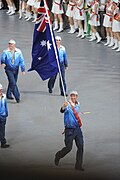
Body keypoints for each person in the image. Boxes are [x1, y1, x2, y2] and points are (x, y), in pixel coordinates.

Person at [54, 91, 84, 171]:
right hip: (69, 130)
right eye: (72, 96)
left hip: (77, 129)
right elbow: (62, 110)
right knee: (68, 148)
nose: (73, 97)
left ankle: (78, 165)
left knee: (80, 147)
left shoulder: (78, 104)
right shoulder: (67, 104)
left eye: (75, 96)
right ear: (70, 96)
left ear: (77, 96)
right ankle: (58, 155)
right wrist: (63, 107)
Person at [0, 84, 10, 148]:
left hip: (3, 115)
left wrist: (6, 112)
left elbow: (5, 105)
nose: (0, 91)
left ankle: (3, 142)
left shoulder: (4, 96)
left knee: (2, 129)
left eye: (1, 90)